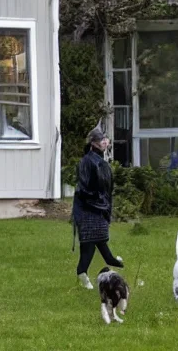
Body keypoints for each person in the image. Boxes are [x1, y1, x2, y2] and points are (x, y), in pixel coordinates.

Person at [71, 123, 124, 289]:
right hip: (88, 209)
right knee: (89, 243)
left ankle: (108, 259)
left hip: (99, 207)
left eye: (105, 139)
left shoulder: (102, 162)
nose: (104, 142)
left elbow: (108, 188)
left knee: (99, 236)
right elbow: (86, 188)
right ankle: (82, 273)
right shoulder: (87, 162)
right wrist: (97, 200)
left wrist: (106, 206)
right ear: (93, 143)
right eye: (101, 139)